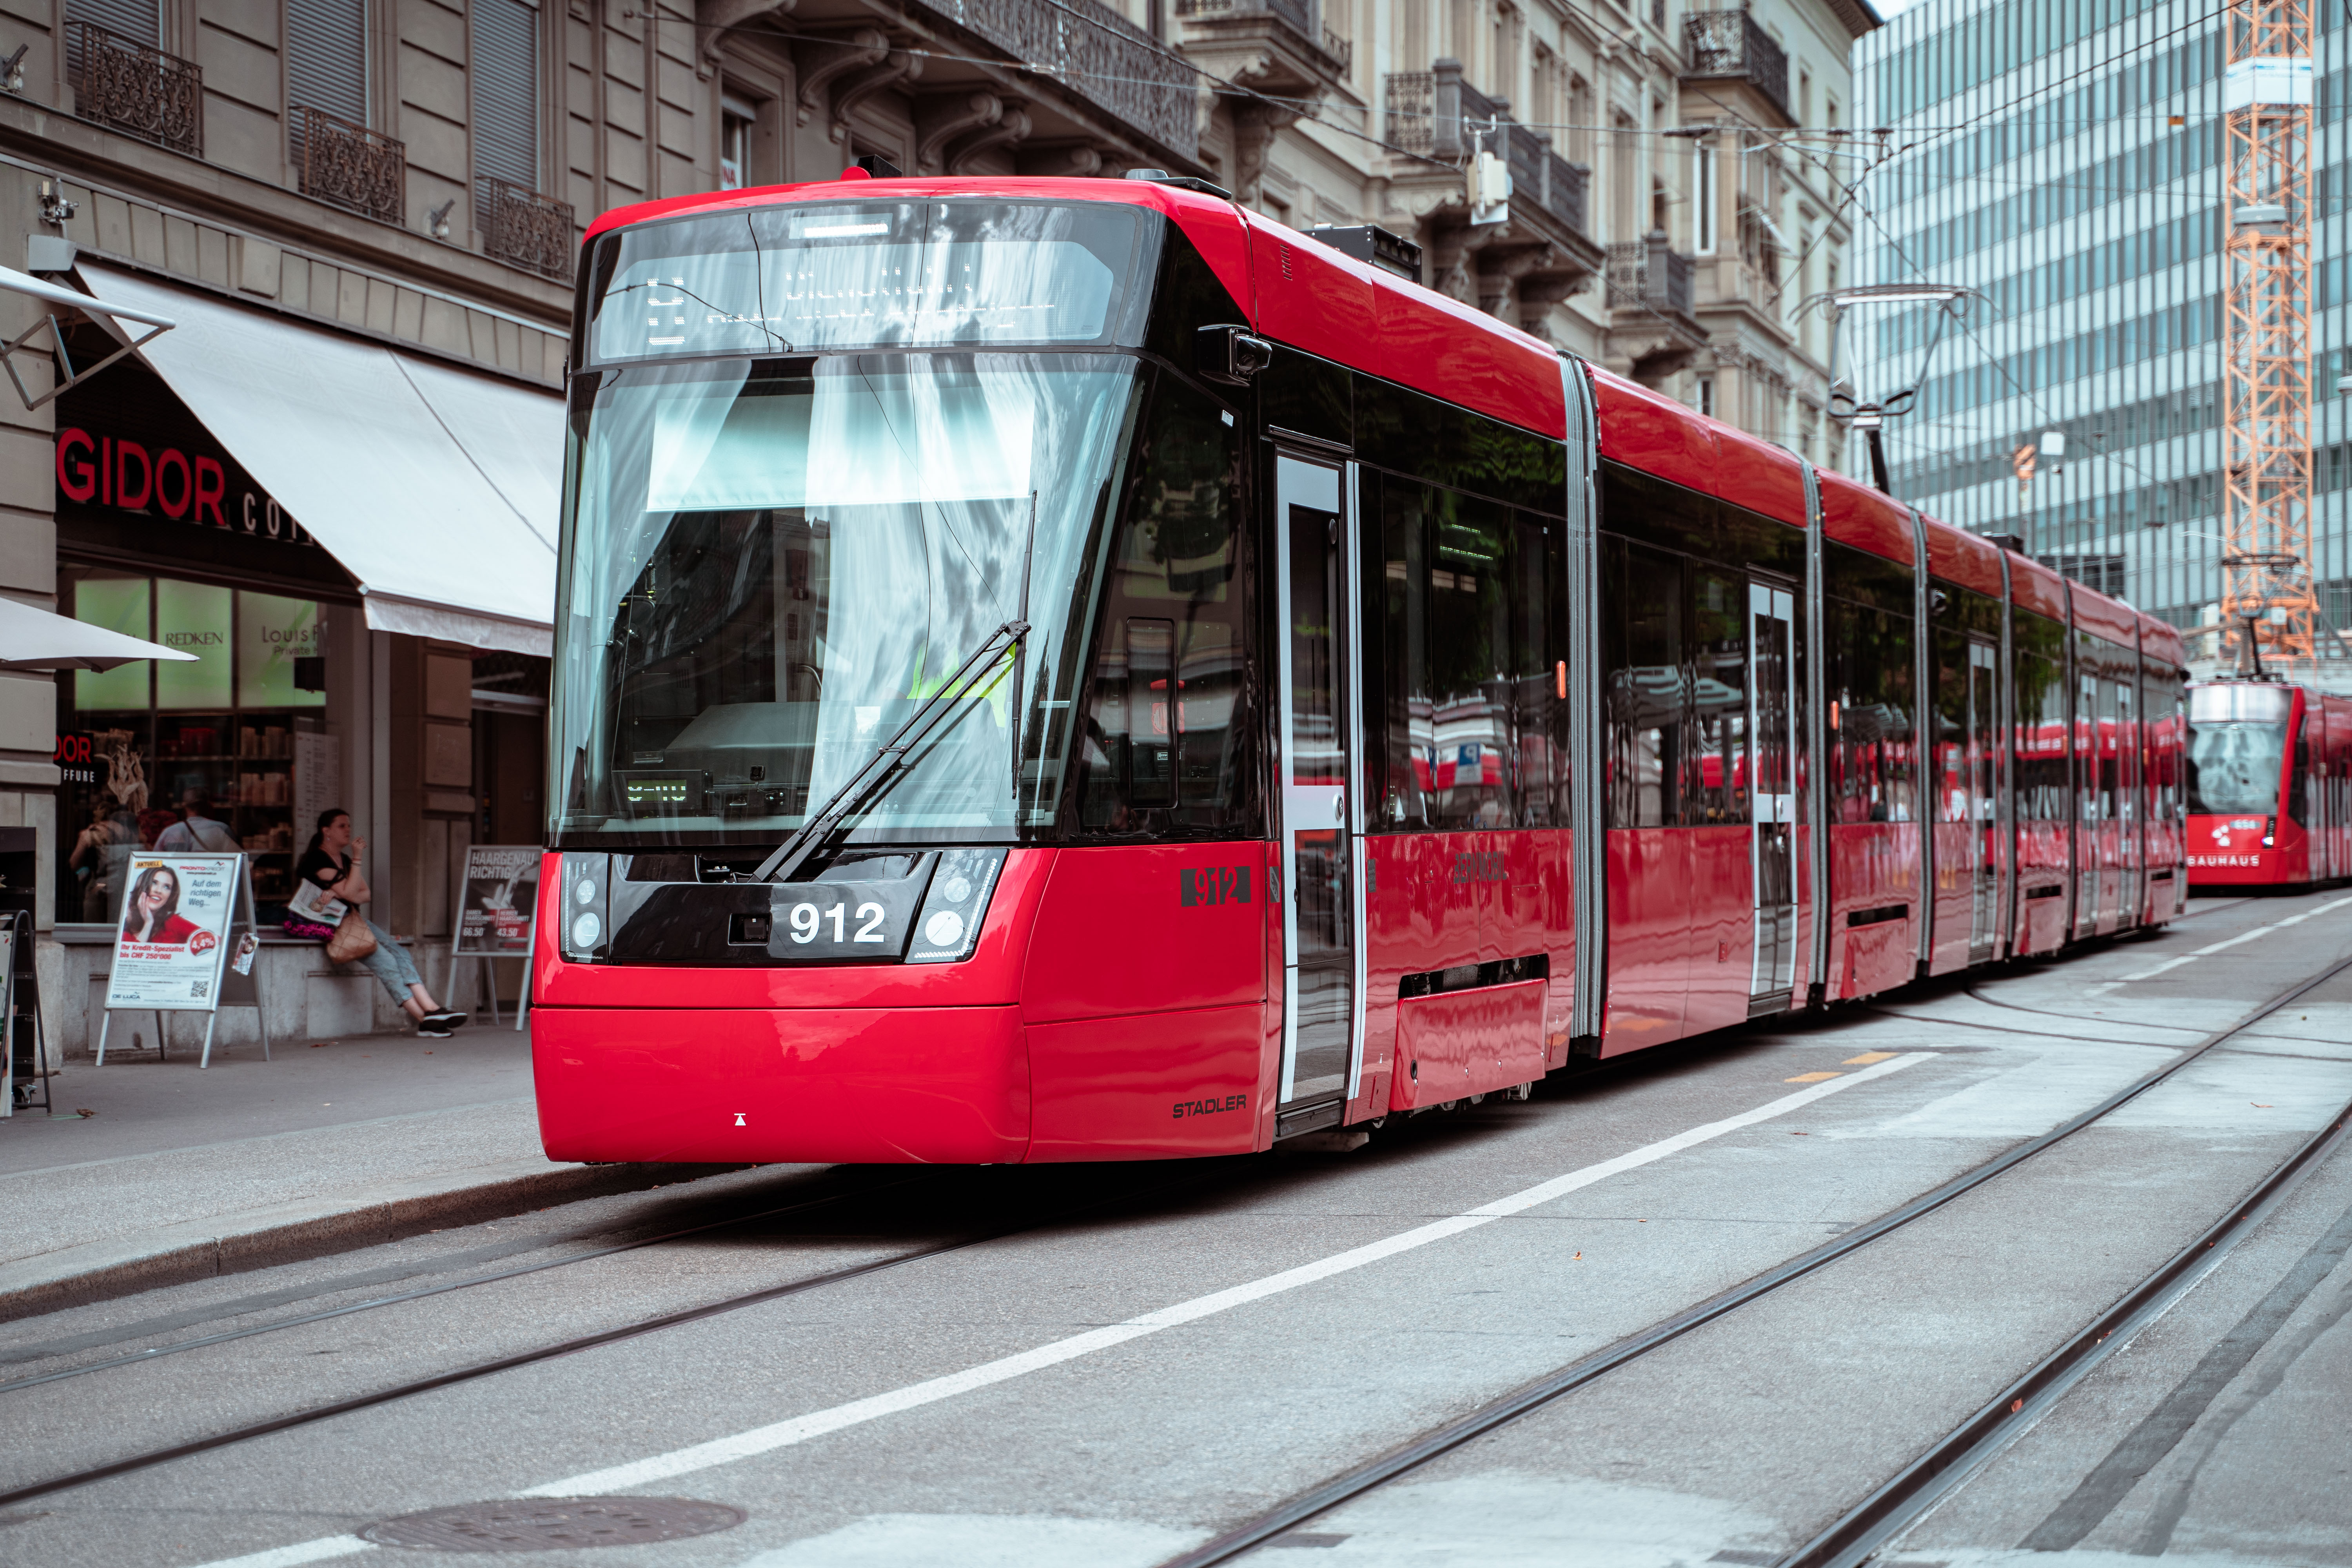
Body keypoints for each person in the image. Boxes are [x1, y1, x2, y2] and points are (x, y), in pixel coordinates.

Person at [290, 808, 467, 1038]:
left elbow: (366, 895)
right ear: (327, 832)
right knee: (388, 965)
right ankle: (425, 1020)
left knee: (401, 954)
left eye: (349, 825)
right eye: (342, 826)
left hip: (355, 919)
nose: (348, 830)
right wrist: (357, 861)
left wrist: (342, 892)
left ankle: (432, 1010)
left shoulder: (342, 860)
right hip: (338, 926)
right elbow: (354, 894)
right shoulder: (317, 859)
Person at [120, 864, 203, 947]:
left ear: (170, 896)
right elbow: (133, 956)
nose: (159, 891)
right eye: (154, 883)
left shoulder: (173, 922)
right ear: (142, 886)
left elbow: (213, 941)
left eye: (167, 887)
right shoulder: (126, 928)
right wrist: (148, 924)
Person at [156, 789, 238, 853]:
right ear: (208, 805)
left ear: (184, 805)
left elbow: (154, 862)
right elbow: (237, 861)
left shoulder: (169, 831)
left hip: (174, 875)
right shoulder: (221, 829)